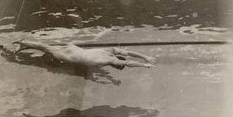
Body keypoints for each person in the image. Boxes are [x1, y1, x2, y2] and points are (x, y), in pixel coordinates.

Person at [9, 39, 154, 71]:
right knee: (46, 50)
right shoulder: (110, 60)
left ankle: (22, 43)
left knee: (45, 47)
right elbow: (128, 63)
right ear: (117, 64)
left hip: (75, 49)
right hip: (73, 57)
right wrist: (144, 65)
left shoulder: (110, 51)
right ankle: (21, 43)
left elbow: (129, 53)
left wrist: (145, 57)